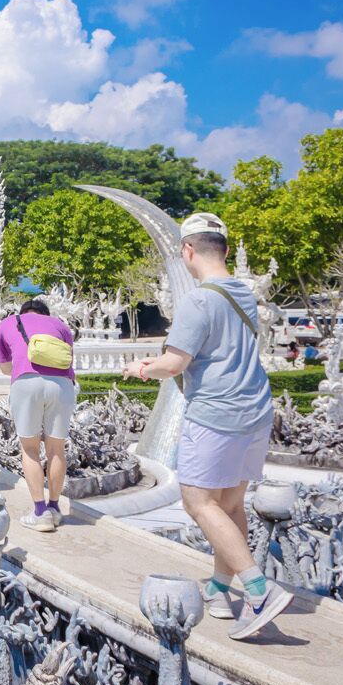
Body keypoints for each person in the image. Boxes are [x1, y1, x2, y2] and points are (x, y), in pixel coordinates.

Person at [124, 212, 293, 641]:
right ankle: (219, 589)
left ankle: (259, 591)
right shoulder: (243, 293)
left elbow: (174, 364)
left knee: (198, 503)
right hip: (256, 410)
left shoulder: (197, 301)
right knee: (230, 504)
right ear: (225, 249)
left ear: (187, 251)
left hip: (217, 412)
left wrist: (141, 368)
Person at [0, 298, 76, 532]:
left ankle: (40, 512)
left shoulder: (7, 323)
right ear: (45, 314)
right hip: (62, 385)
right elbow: (68, 361)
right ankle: (54, 508)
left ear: (23, 312)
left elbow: (5, 368)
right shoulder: (61, 326)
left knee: (29, 448)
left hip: (27, 383)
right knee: (56, 449)